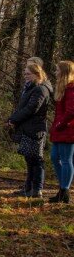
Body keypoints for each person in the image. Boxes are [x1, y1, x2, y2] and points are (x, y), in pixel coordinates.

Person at [8, 63, 52, 198]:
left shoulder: (40, 89)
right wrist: (12, 118)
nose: (25, 76)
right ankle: (28, 187)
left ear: (37, 74)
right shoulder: (30, 88)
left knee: (36, 160)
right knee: (29, 159)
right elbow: (23, 107)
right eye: (25, 74)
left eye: (28, 74)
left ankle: (37, 189)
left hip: (35, 129)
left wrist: (14, 119)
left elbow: (31, 109)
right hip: (28, 128)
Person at [49, 60, 74, 204]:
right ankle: (62, 187)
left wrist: (60, 124)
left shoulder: (71, 88)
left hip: (68, 129)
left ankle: (64, 190)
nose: (56, 72)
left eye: (58, 70)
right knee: (54, 157)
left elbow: (71, 110)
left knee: (66, 160)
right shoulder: (63, 88)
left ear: (64, 72)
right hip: (60, 129)